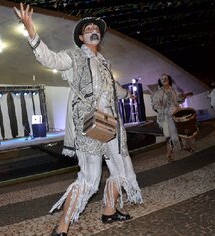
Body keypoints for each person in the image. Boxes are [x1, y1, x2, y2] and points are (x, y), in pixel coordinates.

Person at [14, 3, 143, 236]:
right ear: (82, 38)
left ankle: (109, 210)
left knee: (121, 169)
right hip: (89, 121)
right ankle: (62, 226)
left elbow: (113, 87)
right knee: (90, 178)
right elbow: (49, 59)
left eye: (96, 27)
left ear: (99, 36)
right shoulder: (73, 57)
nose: (93, 29)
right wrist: (30, 29)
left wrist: (128, 94)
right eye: (88, 28)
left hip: (111, 122)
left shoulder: (104, 63)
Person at [151, 73, 191, 162]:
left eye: (166, 78)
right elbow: (154, 104)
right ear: (160, 82)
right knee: (169, 135)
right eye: (162, 79)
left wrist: (183, 96)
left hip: (178, 114)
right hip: (167, 116)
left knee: (182, 131)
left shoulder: (174, 90)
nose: (164, 80)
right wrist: (160, 105)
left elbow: (179, 100)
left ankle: (186, 146)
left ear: (169, 79)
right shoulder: (158, 93)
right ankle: (169, 154)